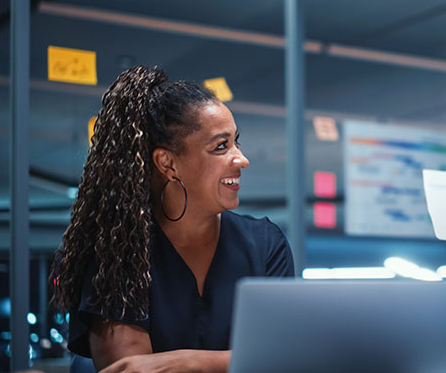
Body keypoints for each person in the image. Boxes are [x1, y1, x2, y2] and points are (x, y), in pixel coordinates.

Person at [49, 66, 294, 372]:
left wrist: (187, 362)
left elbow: (282, 359)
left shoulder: (266, 244)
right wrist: (236, 361)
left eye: (236, 142)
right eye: (221, 146)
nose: (241, 159)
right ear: (168, 163)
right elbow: (131, 369)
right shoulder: (119, 254)